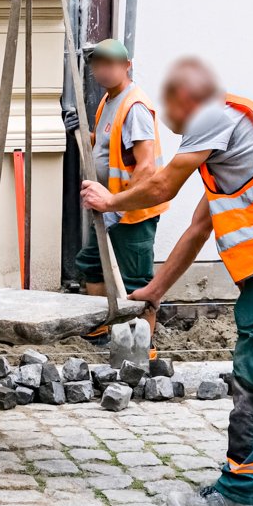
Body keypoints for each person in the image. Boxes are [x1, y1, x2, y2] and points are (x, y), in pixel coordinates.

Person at [80, 57, 253, 506]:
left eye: (170, 111)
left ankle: (240, 493)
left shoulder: (212, 117)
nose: (169, 124)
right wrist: (155, 291)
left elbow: (161, 185)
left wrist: (112, 200)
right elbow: (198, 228)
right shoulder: (240, 132)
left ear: (189, 99)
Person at [74, 39, 166, 347]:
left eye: (111, 64)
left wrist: (120, 205)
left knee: (137, 281)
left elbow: (146, 166)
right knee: (92, 265)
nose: (103, 70)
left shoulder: (134, 105)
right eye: (98, 64)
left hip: (132, 213)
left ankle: (143, 347)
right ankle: (103, 326)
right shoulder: (109, 100)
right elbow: (108, 146)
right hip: (108, 207)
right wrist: (81, 132)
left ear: (127, 66)